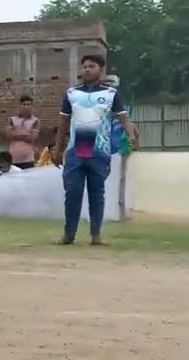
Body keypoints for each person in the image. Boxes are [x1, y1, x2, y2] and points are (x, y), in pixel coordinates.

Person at [57, 54, 137, 246]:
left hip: (99, 150)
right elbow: (63, 123)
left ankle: (96, 235)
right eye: (84, 66)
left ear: (100, 70)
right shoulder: (71, 93)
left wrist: (131, 135)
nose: (86, 69)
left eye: (91, 66)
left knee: (96, 193)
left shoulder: (111, 94)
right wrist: (57, 148)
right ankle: (69, 235)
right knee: (73, 192)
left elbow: (122, 117)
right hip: (75, 151)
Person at [7, 95, 40, 170]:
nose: (26, 106)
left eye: (28, 104)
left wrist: (16, 134)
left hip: (28, 158)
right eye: (24, 104)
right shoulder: (12, 119)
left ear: (32, 106)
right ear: (20, 106)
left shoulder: (35, 121)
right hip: (13, 157)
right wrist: (25, 135)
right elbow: (9, 135)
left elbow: (32, 137)